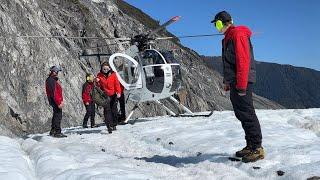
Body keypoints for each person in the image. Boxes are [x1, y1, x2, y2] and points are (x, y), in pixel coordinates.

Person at [211, 11, 264, 162]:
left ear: (221, 23)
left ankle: (257, 148)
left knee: (247, 113)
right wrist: (228, 82)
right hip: (236, 81)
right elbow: (230, 63)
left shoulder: (238, 35)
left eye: (216, 24)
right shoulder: (228, 37)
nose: (216, 27)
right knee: (241, 113)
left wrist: (241, 85)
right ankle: (250, 145)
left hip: (243, 81)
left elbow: (243, 61)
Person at [96, 62, 121, 133]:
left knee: (114, 110)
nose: (105, 70)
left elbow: (117, 84)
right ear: (101, 69)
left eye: (107, 68)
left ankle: (114, 124)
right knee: (107, 111)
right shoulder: (99, 75)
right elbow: (98, 86)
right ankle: (109, 125)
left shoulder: (113, 74)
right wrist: (97, 81)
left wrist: (118, 92)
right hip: (105, 95)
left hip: (113, 95)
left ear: (109, 68)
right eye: (104, 69)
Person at [45, 66, 67, 138]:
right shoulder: (51, 80)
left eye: (57, 71)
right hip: (55, 100)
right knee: (58, 115)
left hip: (54, 100)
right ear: (52, 71)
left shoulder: (52, 79)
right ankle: (57, 132)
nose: (57, 73)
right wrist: (58, 103)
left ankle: (53, 131)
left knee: (56, 115)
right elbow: (54, 93)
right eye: (55, 71)